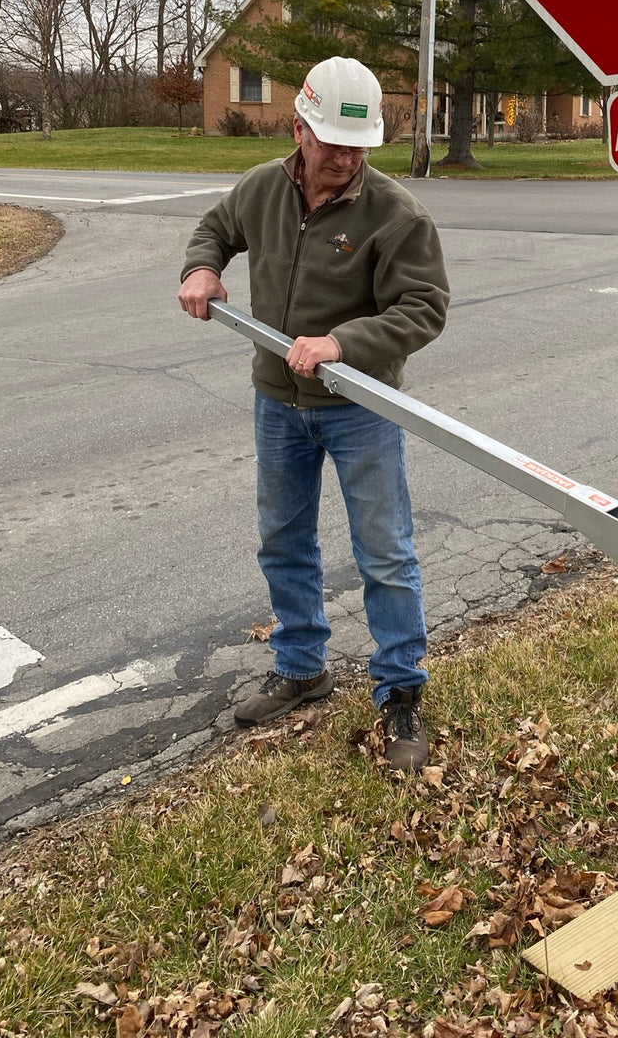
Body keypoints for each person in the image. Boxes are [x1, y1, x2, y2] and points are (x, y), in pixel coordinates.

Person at [178, 56, 449, 770]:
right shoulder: (264, 189)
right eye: (331, 143)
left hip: (360, 403)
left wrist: (343, 343)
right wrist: (201, 269)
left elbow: (425, 308)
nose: (345, 159)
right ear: (298, 130)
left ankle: (400, 696)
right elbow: (215, 226)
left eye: (357, 147)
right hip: (278, 401)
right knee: (283, 539)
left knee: (384, 552)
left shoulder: (396, 213)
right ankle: (302, 667)